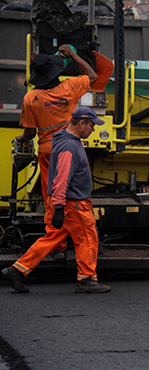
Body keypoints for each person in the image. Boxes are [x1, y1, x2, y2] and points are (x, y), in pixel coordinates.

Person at [2, 107, 110, 294]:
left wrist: (58, 205)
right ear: (82, 123)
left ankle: (17, 270)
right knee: (87, 238)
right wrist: (60, 207)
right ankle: (86, 279)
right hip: (73, 204)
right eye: (91, 125)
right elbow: (62, 179)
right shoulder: (69, 147)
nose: (93, 130)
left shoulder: (63, 139)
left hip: (65, 202)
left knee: (52, 238)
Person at [16, 46, 112, 230]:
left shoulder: (31, 98)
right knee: (76, 194)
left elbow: (30, 133)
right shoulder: (70, 87)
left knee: (53, 196)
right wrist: (73, 55)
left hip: (48, 150)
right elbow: (93, 75)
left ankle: (57, 242)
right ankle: (79, 233)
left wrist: (22, 138)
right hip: (71, 148)